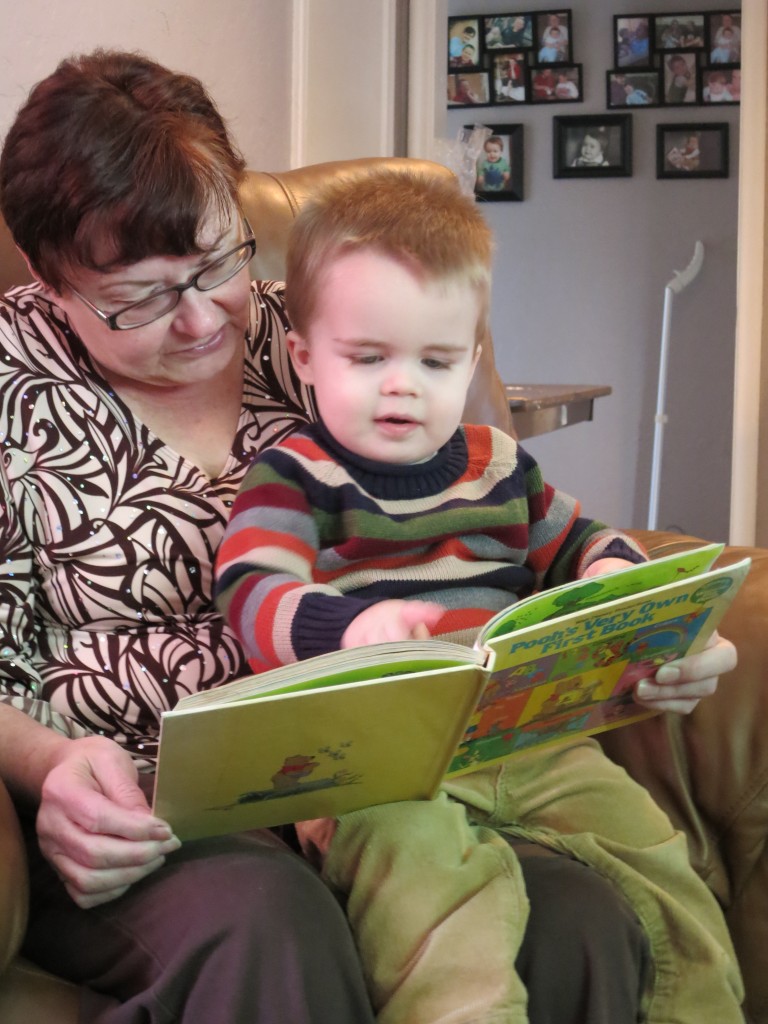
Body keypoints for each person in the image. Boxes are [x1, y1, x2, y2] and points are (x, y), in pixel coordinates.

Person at [215, 169, 745, 1024]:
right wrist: (348, 631)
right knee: (434, 893)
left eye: (436, 361)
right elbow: (250, 589)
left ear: (472, 356)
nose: (403, 385)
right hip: (379, 770)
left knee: (657, 856)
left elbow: (584, 538)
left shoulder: (500, 465)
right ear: (307, 357)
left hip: (526, 745)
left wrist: (611, 576)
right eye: (368, 358)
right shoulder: (293, 476)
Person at [0, 48, 378, 1023]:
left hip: (349, 774)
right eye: (145, 296)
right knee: (266, 920)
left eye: (219, 261)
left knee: (568, 912)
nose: (205, 315)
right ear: (51, 277)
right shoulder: (12, 382)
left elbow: (466, 525)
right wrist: (49, 769)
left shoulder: (320, 345)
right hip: (140, 810)